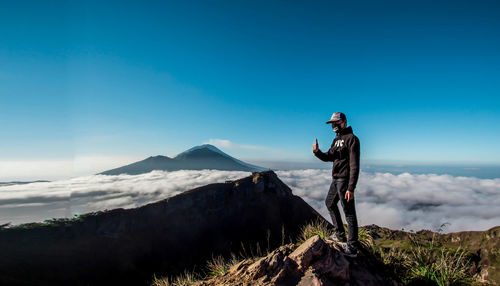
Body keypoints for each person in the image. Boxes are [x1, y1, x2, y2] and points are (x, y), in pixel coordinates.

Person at [312, 112, 360, 257]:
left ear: (344, 122)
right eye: (332, 123)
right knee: (329, 203)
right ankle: (339, 234)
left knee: (349, 212)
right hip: (336, 180)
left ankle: (352, 247)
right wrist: (317, 152)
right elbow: (329, 156)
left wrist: (351, 188)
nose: (333, 126)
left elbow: (354, 165)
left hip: (344, 180)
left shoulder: (352, 139)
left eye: (336, 122)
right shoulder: (336, 140)